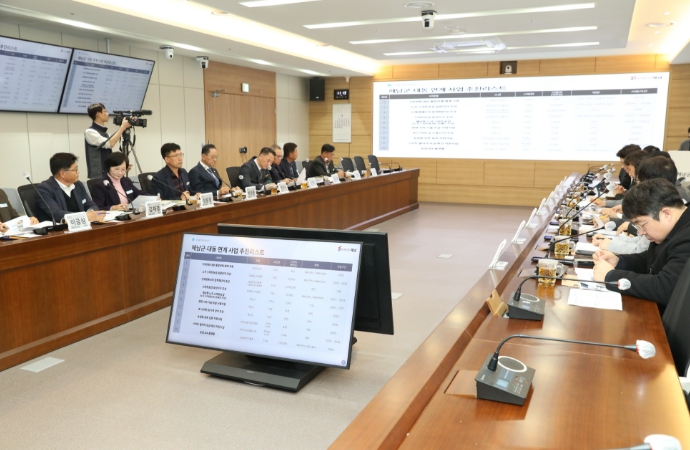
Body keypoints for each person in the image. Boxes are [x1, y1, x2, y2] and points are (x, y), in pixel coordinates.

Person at [593, 178, 690, 309]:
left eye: (641, 225)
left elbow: (665, 288)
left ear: (666, 214)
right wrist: (620, 262)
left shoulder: (687, 237)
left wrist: (611, 276)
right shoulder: (675, 228)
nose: (641, 232)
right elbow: (655, 260)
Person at [35, 153, 105, 223]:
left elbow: (91, 204)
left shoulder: (78, 185)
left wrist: (91, 212)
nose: (78, 172)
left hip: (82, 226)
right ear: (62, 174)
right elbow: (56, 213)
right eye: (75, 169)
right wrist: (85, 216)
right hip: (60, 228)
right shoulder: (44, 189)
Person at [84, 103, 132, 179]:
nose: (108, 114)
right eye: (105, 112)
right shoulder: (90, 132)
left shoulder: (105, 133)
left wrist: (121, 166)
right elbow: (110, 144)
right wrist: (123, 127)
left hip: (107, 171)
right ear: (98, 114)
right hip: (98, 173)